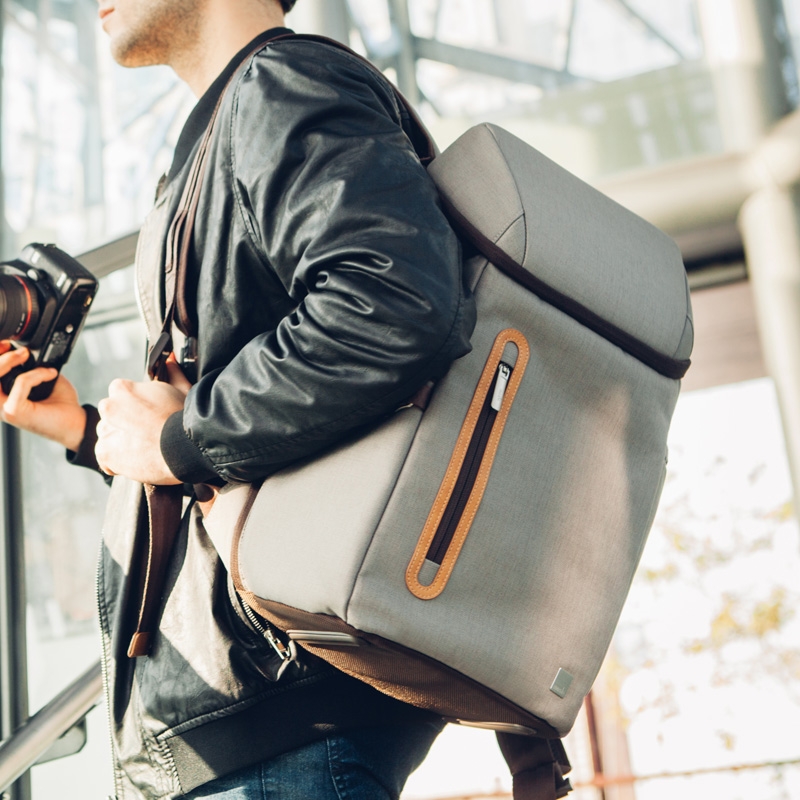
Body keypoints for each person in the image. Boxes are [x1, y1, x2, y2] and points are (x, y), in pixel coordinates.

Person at [0, 0, 475, 797]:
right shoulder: (237, 118)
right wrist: (90, 433)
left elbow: (392, 304)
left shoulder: (284, 84)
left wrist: (180, 438)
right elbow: (258, 442)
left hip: (275, 725)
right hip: (251, 724)